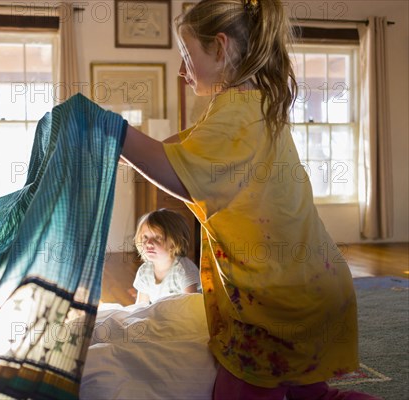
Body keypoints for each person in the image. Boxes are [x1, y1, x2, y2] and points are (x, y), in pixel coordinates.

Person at [117, 0, 380, 398]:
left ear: (220, 49)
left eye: (188, 56)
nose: (182, 71)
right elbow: (176, 150)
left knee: (241, 385)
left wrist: (113, 132)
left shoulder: (234, 113)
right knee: (305, 387)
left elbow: (179, 174)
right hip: (310, 280)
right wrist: (125, 150)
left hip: (277, 297)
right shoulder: (250, 104)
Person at [132, 208, 201, 304]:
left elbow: (192, 307)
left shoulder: (183, 270)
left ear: (174, 242)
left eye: (158, 238)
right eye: (145, 237)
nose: (149, 243)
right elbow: (140, 306)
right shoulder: (144, 271)